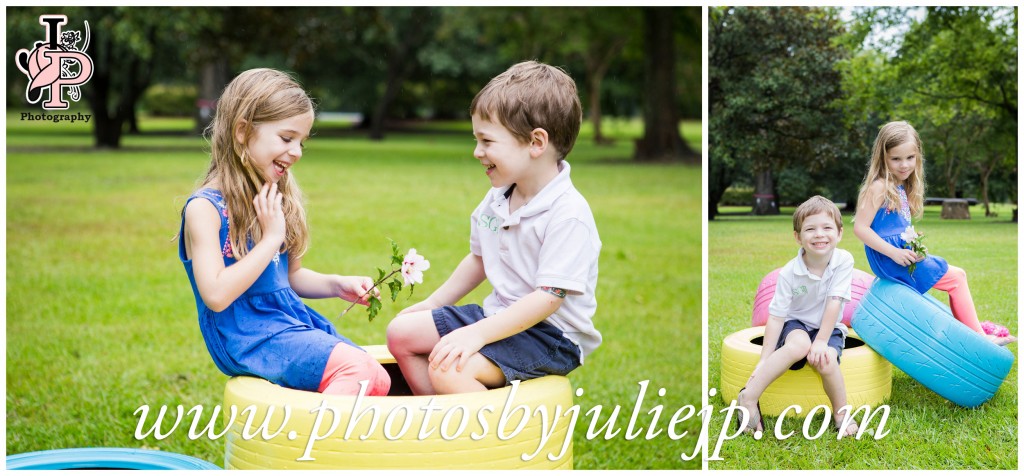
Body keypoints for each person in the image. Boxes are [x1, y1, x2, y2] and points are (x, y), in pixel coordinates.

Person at [386, 61, 601, 394]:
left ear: (535, 143)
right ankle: (434, 423)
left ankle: (487, 444)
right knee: (400, 333)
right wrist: (433, 303)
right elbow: (478, 259)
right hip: (496, 317)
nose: (477, 152)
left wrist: (476, 335)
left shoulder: (567, 213)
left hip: (550, 336)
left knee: (448, 368)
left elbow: (548, 298)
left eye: (486, 141)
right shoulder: (498, 198)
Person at [178, 68, 390, 396]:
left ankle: (324, 443)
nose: (297, 152)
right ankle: (309, 447)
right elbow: (217, 296)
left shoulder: (275, 198)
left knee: (379, 379)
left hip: (287, 324)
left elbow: (288, 278)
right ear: (242, 131)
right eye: (287, 138)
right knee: (357, 371)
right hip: (247, 336)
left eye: (302, 142)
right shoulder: (205, 209)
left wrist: (337, 284)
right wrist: (271, 238)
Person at [853, 121, 1016, 346]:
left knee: (956, 276)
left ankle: (974, 330)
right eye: (896, 159)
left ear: (917, 157)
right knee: (957, 278)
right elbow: (860, 228)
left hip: (900, 256)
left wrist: (914, 248)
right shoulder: (879, 187)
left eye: (910, 158)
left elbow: (895, 229)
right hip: (890, 260)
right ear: (883, 157)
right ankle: (979, 338)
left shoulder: (899, 186)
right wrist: (894, 253)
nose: (904, 165)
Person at [737, 196, 860, 437]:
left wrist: (822, 341)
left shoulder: (843, 261)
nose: (819, 234)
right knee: (800, 344)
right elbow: (776, 316)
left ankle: (841, 413)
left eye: (827, 228)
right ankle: (748, 397)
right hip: (797, 324)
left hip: (829, 327)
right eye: (810, 229)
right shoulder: (789, 273)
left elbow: (835, 302)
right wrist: (764, 359)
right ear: (798, 236)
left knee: (825, 359)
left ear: (839, 233)